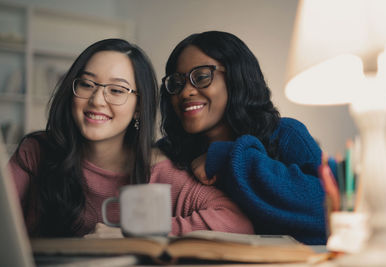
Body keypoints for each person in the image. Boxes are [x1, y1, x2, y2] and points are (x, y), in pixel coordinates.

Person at [8, 38, 253, 237]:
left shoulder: (160, 172)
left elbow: (236, 223)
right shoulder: (37, 151)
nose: (97, 100)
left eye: (116, 90)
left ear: (139, 106)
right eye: (87, 84)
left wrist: (136, 232)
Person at [158, 31, 326, 245]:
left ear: (237, 77)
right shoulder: (169, 153)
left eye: (200, 77)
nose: (185, 92)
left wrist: (229, 157)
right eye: (177, 82)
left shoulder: (285, 134)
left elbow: (326, 209)